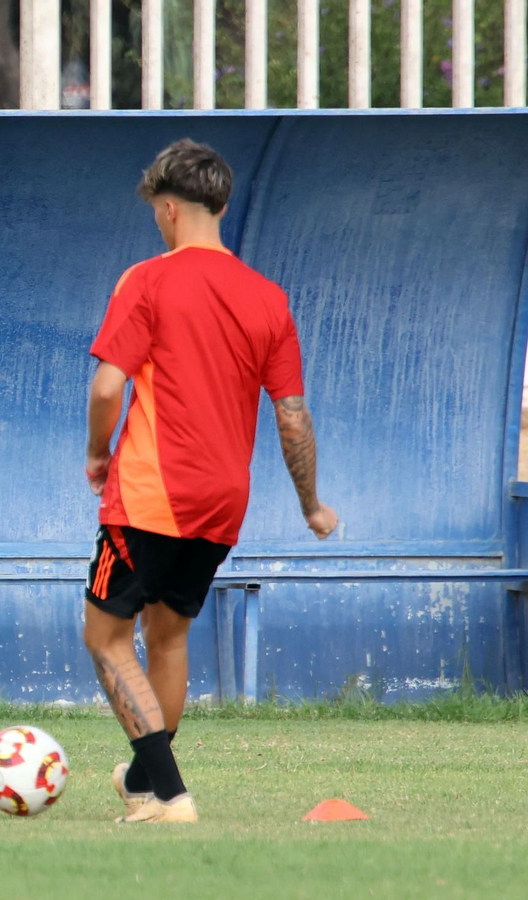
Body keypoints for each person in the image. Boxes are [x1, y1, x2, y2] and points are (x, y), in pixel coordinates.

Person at [82, 140, 337, 823]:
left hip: (149, 492)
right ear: (220, 206)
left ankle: (171, 796)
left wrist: (97, 453)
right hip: (224, 502)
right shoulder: (268, 299)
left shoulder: (148, 280)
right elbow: (292, 418)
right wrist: (311, 504)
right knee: (167, 638)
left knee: (105, 638)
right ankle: (143, 779)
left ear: (168, 211)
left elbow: (109, 385)